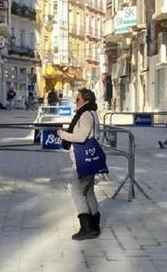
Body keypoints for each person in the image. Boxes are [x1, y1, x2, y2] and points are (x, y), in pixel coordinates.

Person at [57, 88, 101, 240]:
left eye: (78, 99)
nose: (76, 102)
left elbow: (81, 137)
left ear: (86, 101)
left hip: (83, 161)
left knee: (77, 192)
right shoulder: (93, 113)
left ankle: (87, 227)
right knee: (88, 191)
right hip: (90, 159)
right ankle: (95, 224)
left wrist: (64, 135)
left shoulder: (86, 115)